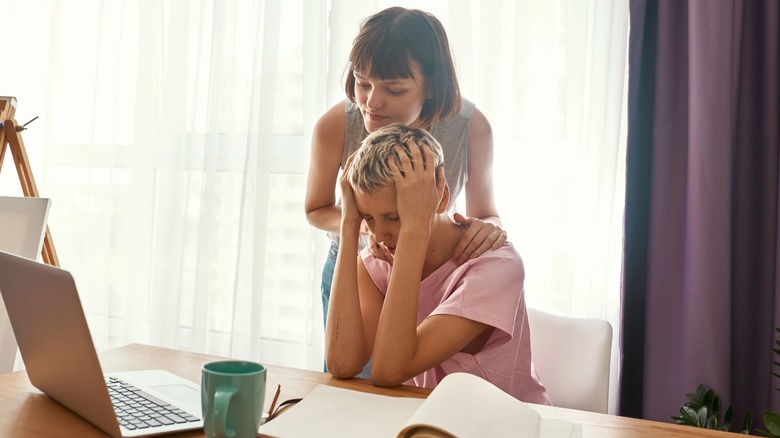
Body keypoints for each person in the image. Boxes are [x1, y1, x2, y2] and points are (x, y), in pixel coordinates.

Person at [305, 6, 506, 341]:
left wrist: (490, 229)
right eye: (362, 83)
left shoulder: (471, 128)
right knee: (348, 385)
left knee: (414, 381)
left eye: (394, 90)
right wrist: (367, 229)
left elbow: (487, 215)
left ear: (432, 86)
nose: (371, 102)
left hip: (432, 272)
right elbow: (315, 209)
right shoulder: (336, 125)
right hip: (354, 268)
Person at [325, 124, 550, 404]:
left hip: (505, 424)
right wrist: (348, 227)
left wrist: (414, 233)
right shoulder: (378, 261)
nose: (379, 235)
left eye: (394, 218)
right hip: (426, 421)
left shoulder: (495, 265)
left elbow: (388, 371)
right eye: (368, 218)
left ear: (441, 195)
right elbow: (342, 364)